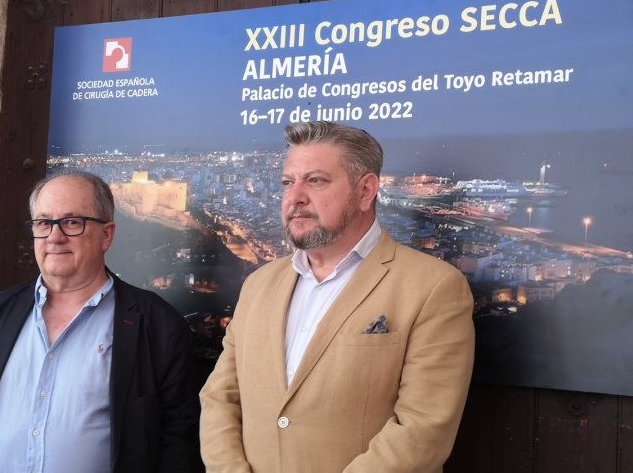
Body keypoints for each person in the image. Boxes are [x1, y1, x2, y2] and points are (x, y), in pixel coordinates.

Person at [199, 121, 475, 473]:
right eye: (288, 182)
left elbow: (422, 431)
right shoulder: (259, 285)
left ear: (365, 191)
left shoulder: (433, 287)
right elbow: (221, 397)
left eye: (315, 180)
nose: (295, 196)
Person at [0, 172, 199, 473]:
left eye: (72, 222)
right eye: (43, 223)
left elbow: (178, 442)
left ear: (107, 235)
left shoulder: (157, 325)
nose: (54, 236)